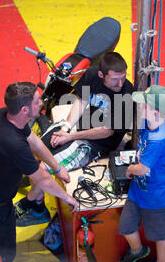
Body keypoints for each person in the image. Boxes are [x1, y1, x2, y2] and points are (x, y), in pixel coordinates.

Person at [16, 52, 134, 226]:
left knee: (44, 168)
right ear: (101, 74)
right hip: (78, 128)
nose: (120, 83)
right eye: (115, 79)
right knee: (33, 149)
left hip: (95, 144)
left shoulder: (126, 93)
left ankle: (35, 207)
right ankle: (37, 190)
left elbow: (107, 132)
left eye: (123, 77)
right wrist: (65, 128)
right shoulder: (93, 74)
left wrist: (70, 136)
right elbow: (81, 101)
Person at [0, 82, 78, 262]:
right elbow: (42, 179)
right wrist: (67, 198)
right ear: (25, 109)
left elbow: (34, 141)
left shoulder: (2, 115)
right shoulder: (13, 144)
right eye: (37, 101)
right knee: (4, 255)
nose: (41, 103)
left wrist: (57, 168)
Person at [118, 85, 165, 262]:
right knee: (126, 227)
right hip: (138, 190)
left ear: (157, 113)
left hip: (155, 197)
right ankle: (138, 250)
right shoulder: (149, 122)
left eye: (145, 105)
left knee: (159, 235)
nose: (141, 107)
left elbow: (142, 169)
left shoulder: (157, 139)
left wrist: (129, 169)